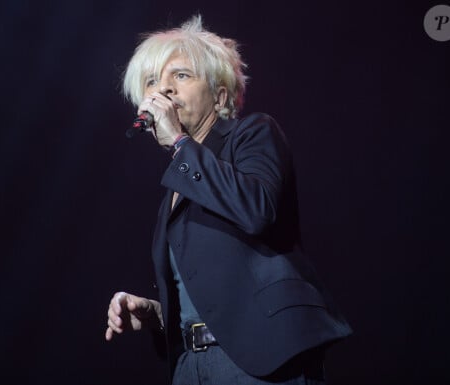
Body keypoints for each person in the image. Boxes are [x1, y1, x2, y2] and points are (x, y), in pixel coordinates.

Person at [105, 15, 352, 385]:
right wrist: (158, 314)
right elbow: (209, 290)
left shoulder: (252, 135)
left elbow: (257, 209)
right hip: (192, 367)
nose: (164, 90)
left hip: (263, 362)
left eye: (181, 76)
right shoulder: (177, 185)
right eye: (152, 80)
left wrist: (179, 144)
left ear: (220, 95)